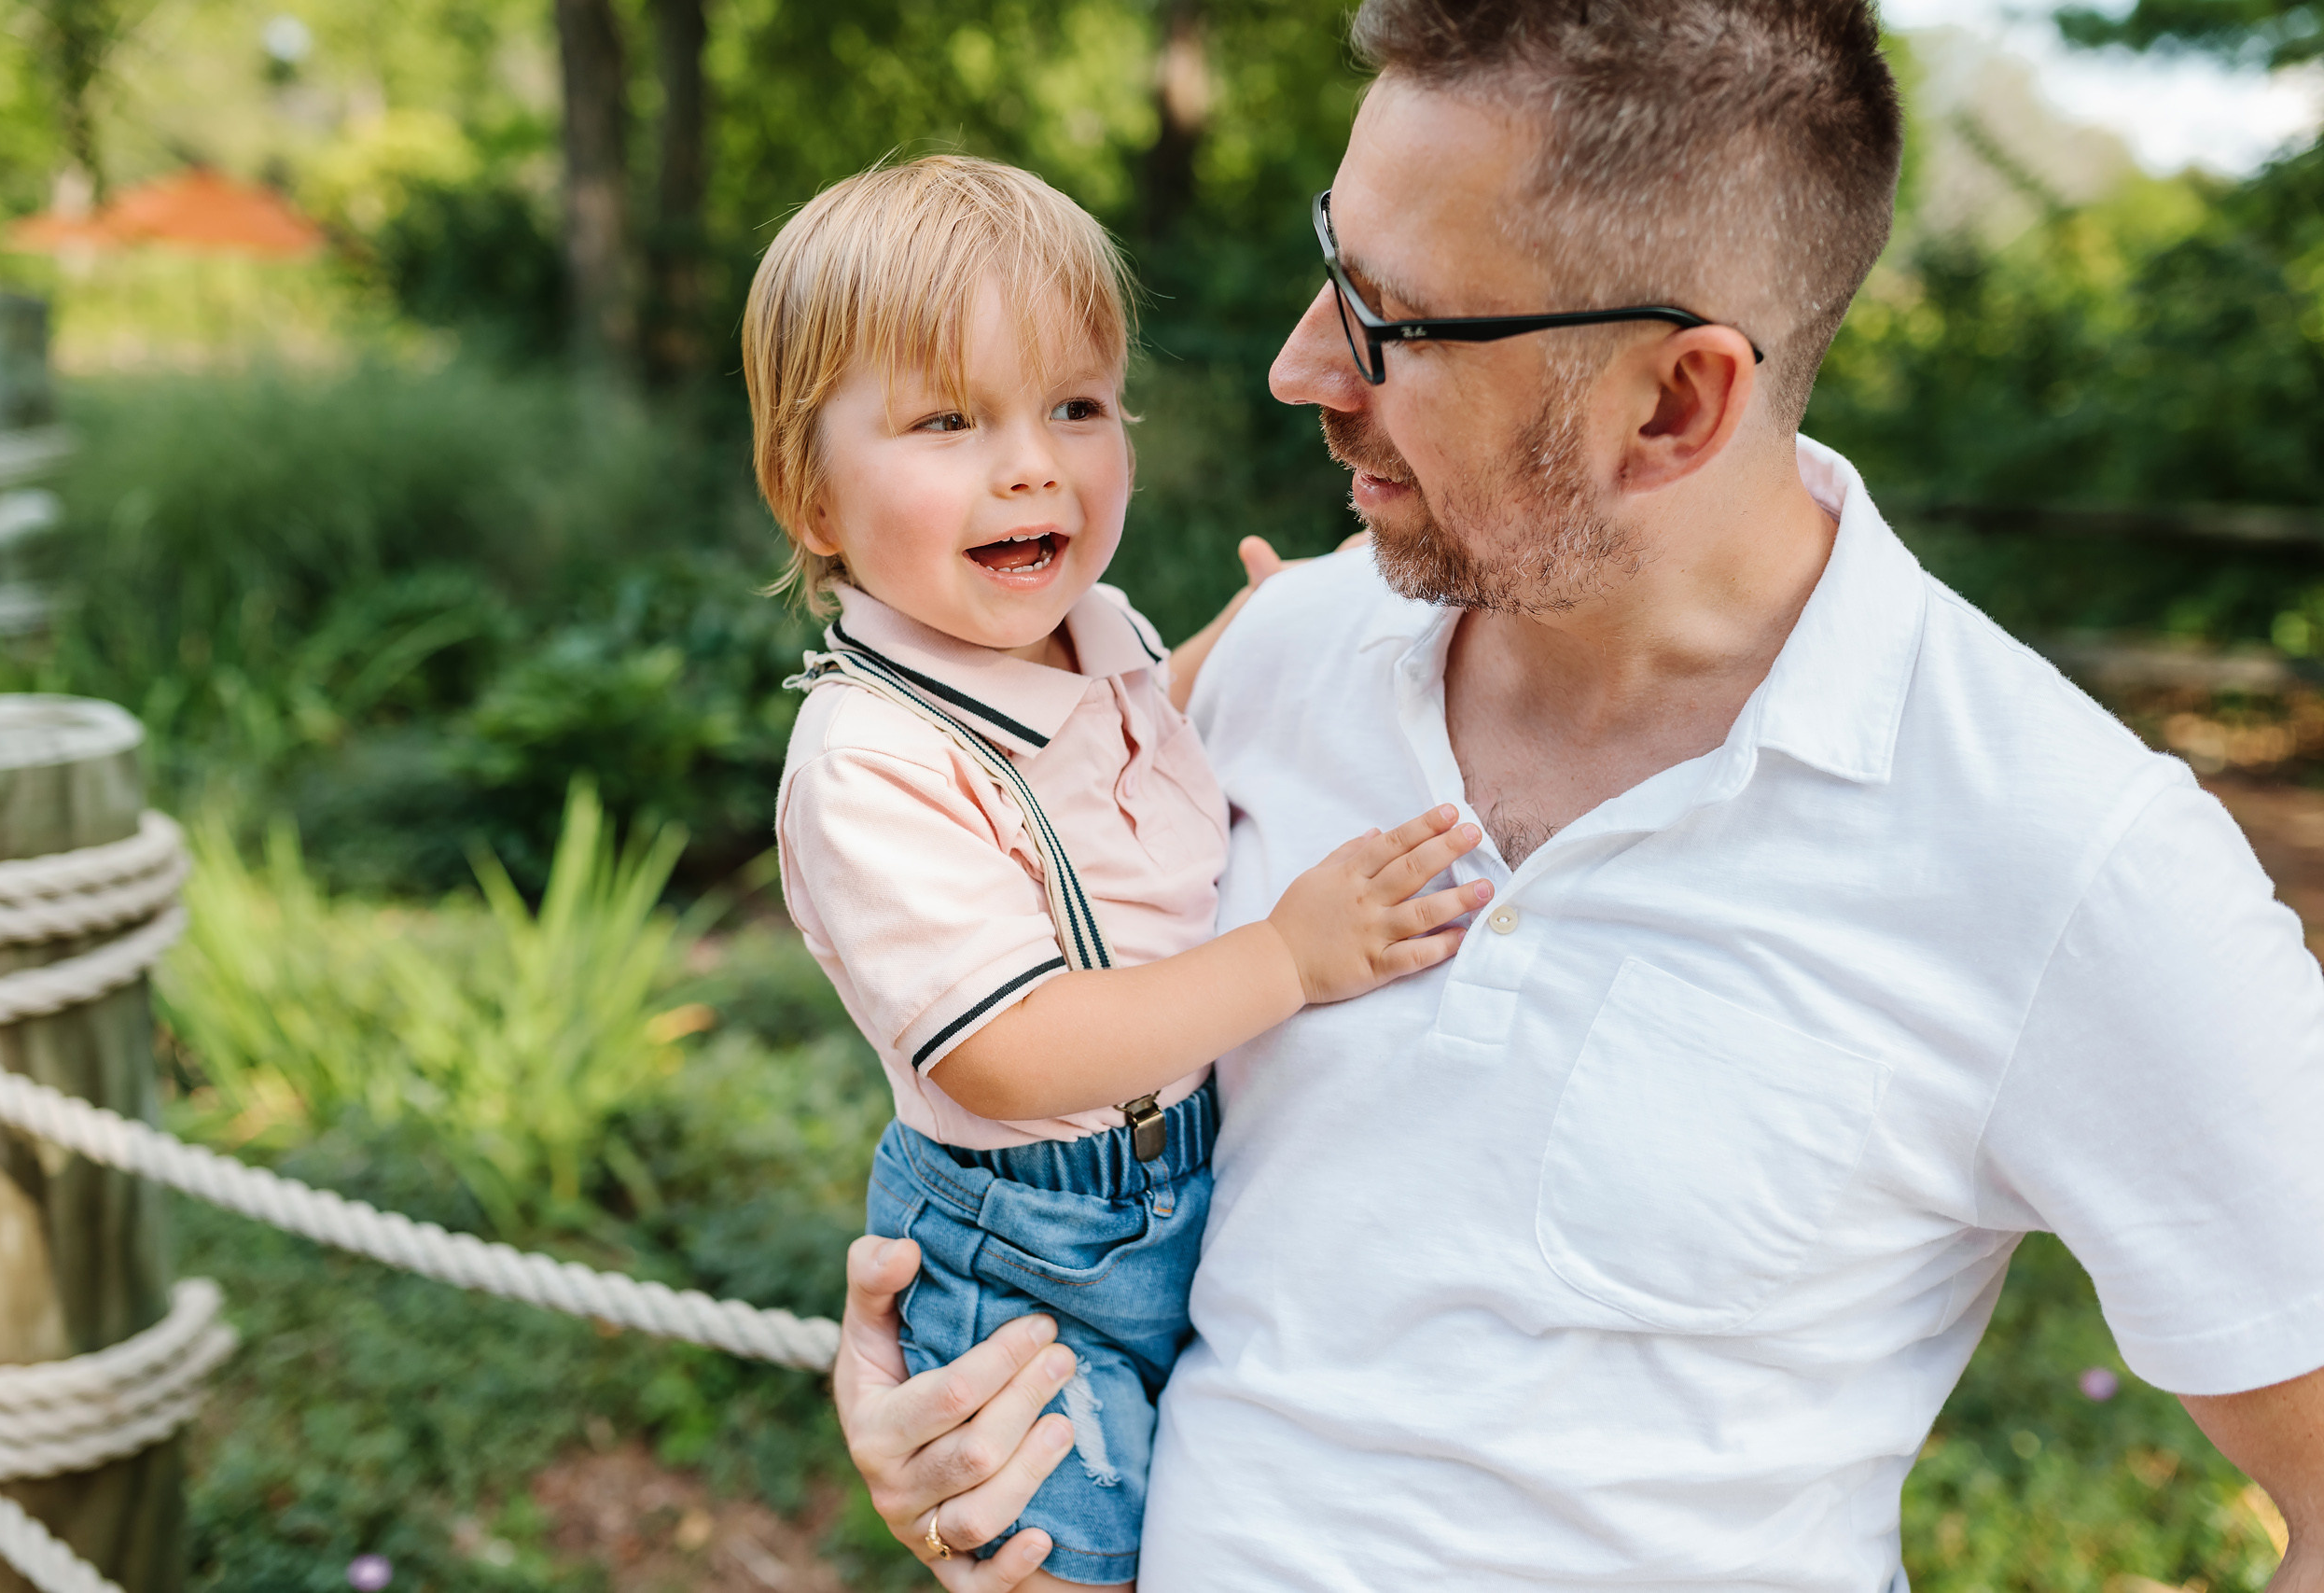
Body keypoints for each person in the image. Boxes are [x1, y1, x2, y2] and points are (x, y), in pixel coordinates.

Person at [826, 2, 2324, 1589]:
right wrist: (957, 1403)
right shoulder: (1270, 656)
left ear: (1676, 404)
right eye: (1330, 256)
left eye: (1389, 321)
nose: (1298, 366)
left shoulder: (2075, 859)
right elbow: (1035, 1078)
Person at [746, 156, 1488, 1590]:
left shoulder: (1097, 630)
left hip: (1178, 1189)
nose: (1032, 463)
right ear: (813, 499)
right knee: (1065, 1556)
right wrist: (1291, 956)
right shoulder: (873, 763)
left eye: (1076, 407)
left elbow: (1143, 723)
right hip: (1027, 1251)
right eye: (949, 420)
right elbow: (1012, 1055)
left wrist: (1246, 639)